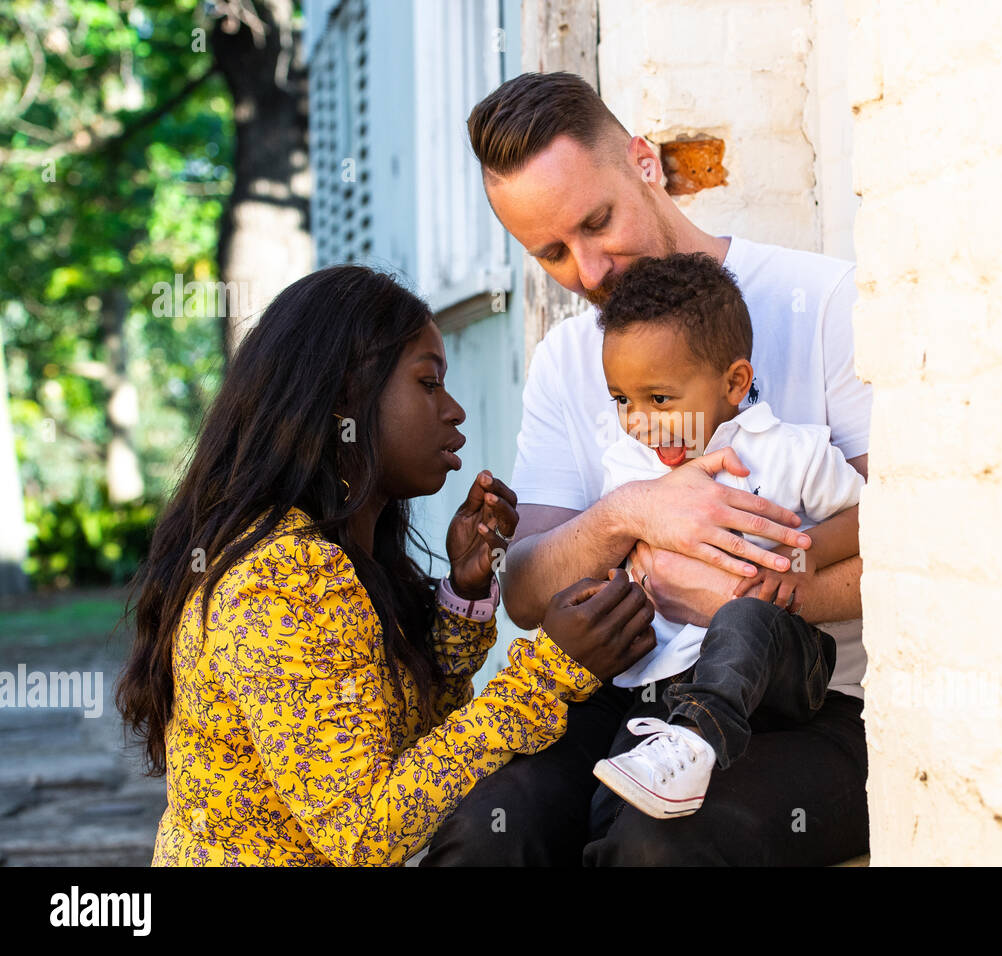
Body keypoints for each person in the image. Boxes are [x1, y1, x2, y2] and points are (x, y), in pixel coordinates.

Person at [422, 71, 872, 866]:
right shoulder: (566, 359)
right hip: (637, 696)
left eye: (597, 222)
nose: (590, 270)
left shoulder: (823, 301)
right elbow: (526, 589)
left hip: (816, 704)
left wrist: (769, 598)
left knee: (657, 845)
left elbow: (906, 540)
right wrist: (632, 512)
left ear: (643, 163)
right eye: (552, 253)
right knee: (489, 824)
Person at [116, 265, 655, 866]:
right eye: (428, 384)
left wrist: (463, 595)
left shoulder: (339, 555)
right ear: (347, 395)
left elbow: (411, 749)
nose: (454, 411)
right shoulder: (280, 577)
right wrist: (552, 670)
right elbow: (365, 832)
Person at [590, 252, 865, 820]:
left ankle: (699, 738)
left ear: (735, 382)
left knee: (742, 617)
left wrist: (795, 561)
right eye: (622, 400)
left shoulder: (789, 451)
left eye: (660, 399)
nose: (639, 422)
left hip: (786, 670)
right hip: (666, 684)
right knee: (610, 809)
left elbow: (870, 517)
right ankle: (685, 745)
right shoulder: (629, 466)